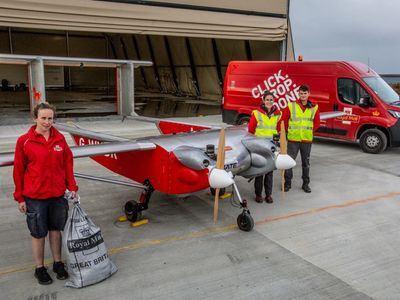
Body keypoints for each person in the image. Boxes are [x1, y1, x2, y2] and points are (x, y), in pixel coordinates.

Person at [13, 102, 78, 285]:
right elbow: (18, 170)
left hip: (57, 195)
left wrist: (72, 187)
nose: (47, 122)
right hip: (35, 198)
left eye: (50, 118)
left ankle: (58, 264)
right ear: (35, 118)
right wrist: (20, 197)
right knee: (38, 233)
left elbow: (68, 164)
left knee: (56, 230)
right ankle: (40, 268)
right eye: (43, 118)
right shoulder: (24, 141)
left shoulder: (60, 139)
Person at [282, 84, 320, 193]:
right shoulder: (292, 105)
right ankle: (287, 183)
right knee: (289, 162)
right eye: (301, 93)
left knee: (306, 163)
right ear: (298, 94)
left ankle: (305, 184)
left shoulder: (314, 107)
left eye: (305, 93)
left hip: (306, 140)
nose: (303, 95)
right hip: (293, 139)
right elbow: (284, 120)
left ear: (308, 94)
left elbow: (316, 123)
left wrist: (309, 132)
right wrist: (285, 133)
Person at [248, 90, 282, 203]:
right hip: (259, 147)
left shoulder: (278, 114)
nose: (269, 102)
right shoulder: (256, 113)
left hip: (271, 146)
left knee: (269, 172)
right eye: (267, 100)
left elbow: (279, 131)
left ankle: (268, 195)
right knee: (260, 172)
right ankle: (258, 195)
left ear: (274, 101)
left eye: (271, 100)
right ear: (263, 101)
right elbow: (251, 131)